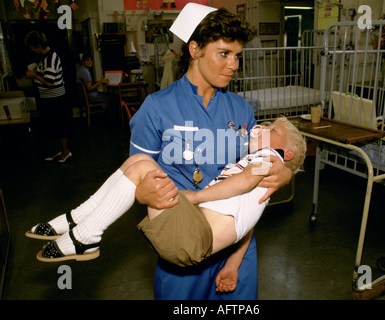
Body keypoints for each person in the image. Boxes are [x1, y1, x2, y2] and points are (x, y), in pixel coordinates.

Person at [128, 4, 292, 299]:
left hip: (236, 244)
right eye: (224, 54)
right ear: (195, 50)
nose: (234, 65)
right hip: (184, 241)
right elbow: (134, 179)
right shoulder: (156, 108)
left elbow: (251, 193)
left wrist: (286, 172)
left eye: (237, 56)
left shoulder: (242, 109)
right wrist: (142, 194)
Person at [26, 118, 306, 275]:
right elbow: (245, 207)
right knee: (138, 161)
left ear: (286, 153)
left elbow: (244, 182)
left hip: (194, 235)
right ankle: (75, 221)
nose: (264, 127)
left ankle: (87, 236)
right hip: (190, 234)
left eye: (274, 130)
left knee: (146, 168)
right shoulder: (258, 163)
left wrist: (196, 197)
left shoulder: (270, 158)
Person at [25, 30, 72, 163]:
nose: (32, 50)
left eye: (33, 47)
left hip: (55, 99)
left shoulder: (51, 57)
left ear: (39, 46)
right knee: (51, 125)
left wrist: (34, 75)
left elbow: (49, 82)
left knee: (59, 125)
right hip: (48, 98)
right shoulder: (46, 57)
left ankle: (66, 151)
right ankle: (57, 151)